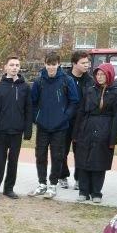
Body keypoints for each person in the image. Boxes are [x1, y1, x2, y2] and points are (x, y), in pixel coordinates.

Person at [29, 51, 80, 199]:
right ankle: (42, 183)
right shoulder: (39, 81)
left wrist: (65, 117)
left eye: (54, 64)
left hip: (60, 126)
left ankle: (52, 184)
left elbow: (74, 101)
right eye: (49, 64)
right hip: (43, 126)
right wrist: (36, 118)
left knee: (57, 156)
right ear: (45, 64)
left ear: (59, 64)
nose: (51, 67)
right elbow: (32, 102)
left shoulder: (67, 80)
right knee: (40, 155)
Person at [73, 62, 117, 203]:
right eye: (98, 74)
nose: (100, 77)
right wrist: (76, 133)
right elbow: (81, 112)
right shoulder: (89, 90)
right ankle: (83, 191)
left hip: (105, 129)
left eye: (103, 74)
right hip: (87, 128)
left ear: (109, 75)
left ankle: (96, 192)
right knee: (83, 160)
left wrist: (113, 140)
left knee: (98, 161)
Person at [0, 56, 32, 200]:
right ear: (5, 67)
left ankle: (9, 188)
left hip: (17, 131)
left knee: (13, 162)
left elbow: (28, 110)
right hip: (1, 132)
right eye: (11, 65)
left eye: (17, 65)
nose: (14, 67)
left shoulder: (25, 87)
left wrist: (28, 130)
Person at [63, 50, 94, 189]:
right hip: (65, 121)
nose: (87, 65)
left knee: (80, 152)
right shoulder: (64, 78)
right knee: (61, 150)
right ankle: (62, 176)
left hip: (82, 122)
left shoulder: (90, 81)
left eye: (88, 62)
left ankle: (79, 179)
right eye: (83, 63)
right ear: (74, 63)